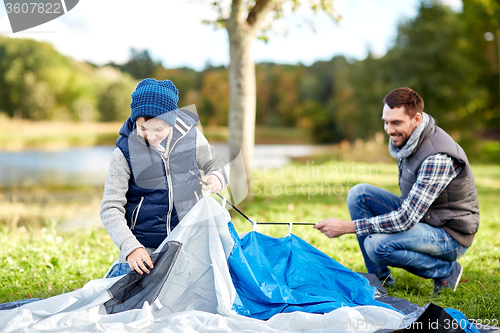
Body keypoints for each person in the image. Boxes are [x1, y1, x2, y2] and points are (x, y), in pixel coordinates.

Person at [314, 87, 479, 294]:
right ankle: (379, 279)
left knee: (376, 245)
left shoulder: (437, 156)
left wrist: (347, 227)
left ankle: (446, 270)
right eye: (386, 121)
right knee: (359, 194)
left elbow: (405, 219)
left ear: (416, 119)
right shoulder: (410, 140)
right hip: (426, 217)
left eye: (396, 123)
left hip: (450, 234)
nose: (389, 130)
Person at [100, 78, 229, 278]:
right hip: (144, 248)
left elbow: (217, 162)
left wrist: (217, 177)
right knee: (125, 301)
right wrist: (130, 247)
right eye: (143, 129)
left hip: (188, 241)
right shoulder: (124, 153)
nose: (150, 136)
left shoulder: (191, 138)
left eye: (158, 129)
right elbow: (110, 208)